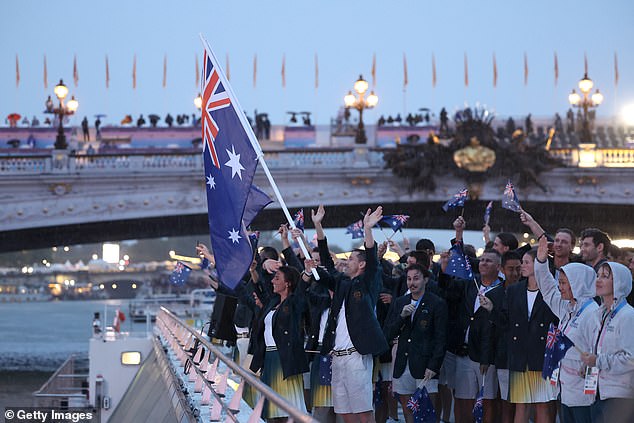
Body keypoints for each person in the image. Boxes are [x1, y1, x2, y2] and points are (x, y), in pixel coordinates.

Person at [314, 205, 389, 423]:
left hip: (357, 356)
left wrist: (368, 229)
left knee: (364, 413)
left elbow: (374, 261)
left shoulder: (368, 282)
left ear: (362, 264)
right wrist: (318, 226)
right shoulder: (341, 284)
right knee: (345, 413)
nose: (346, 261)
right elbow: (327, 264)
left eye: (352, 259)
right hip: (337, 356)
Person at [438, 216, 504, 423]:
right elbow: (455, 269)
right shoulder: (470, 283)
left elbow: (500, 324)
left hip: (487, 356)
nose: (483, 263)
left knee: (488, 401)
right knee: (463, 400)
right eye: (482, 259)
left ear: (498, 267)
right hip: (463, 352)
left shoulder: (503, 290)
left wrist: (486, 356)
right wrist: (458, 233)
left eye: (489, 261)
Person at [482, 248, 559, 423]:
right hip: (519, 355)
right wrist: (491, 310)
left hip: (542, 355)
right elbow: (505, 323)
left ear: (539, 265)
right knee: (521, 403)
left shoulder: (551, 291)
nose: (522, 266)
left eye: (526, 262)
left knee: (542, 404)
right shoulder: (514, 290)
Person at [532, 234, 598, 423]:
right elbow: (547, 289)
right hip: (566, 390)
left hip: (585, 395)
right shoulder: (567, 307)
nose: (559, 287)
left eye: (563, 283)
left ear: (577, 284)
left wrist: (590, 384)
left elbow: (597, 351)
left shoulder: (592, 313)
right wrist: (541, 261)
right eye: (560, 282)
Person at [383, 263, 448, 423]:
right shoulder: (400, 302)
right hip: (403, 363)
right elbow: (388, 333)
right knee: (408, 409)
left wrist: (434, 365)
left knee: (427, 409)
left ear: (425, 280)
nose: (412, 283)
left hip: (425, 365)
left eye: (416, 279)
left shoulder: (437, 303)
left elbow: (441, 338)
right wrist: (401, 317)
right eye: (409, 279)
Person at [245, 263, 309, 422]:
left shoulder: (294, 302)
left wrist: (307, 272)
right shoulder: (272, 302)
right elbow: (259, 286)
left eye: (277, 278)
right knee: (271, 411)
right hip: (269, 359)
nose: (273, 281)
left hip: (285, 359)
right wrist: (254, 269)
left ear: (288, 283)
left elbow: (301, 289)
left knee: (286, 411)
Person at [580, 262, 634, 423]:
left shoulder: (628, 316)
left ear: (619, 282)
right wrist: (589, 364)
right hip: (599, 392)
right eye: (598, 276)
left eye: (605, 276)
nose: (598, 280)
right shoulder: (601, 313)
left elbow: (631, 359)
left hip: (620, 397)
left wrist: (598, 361)